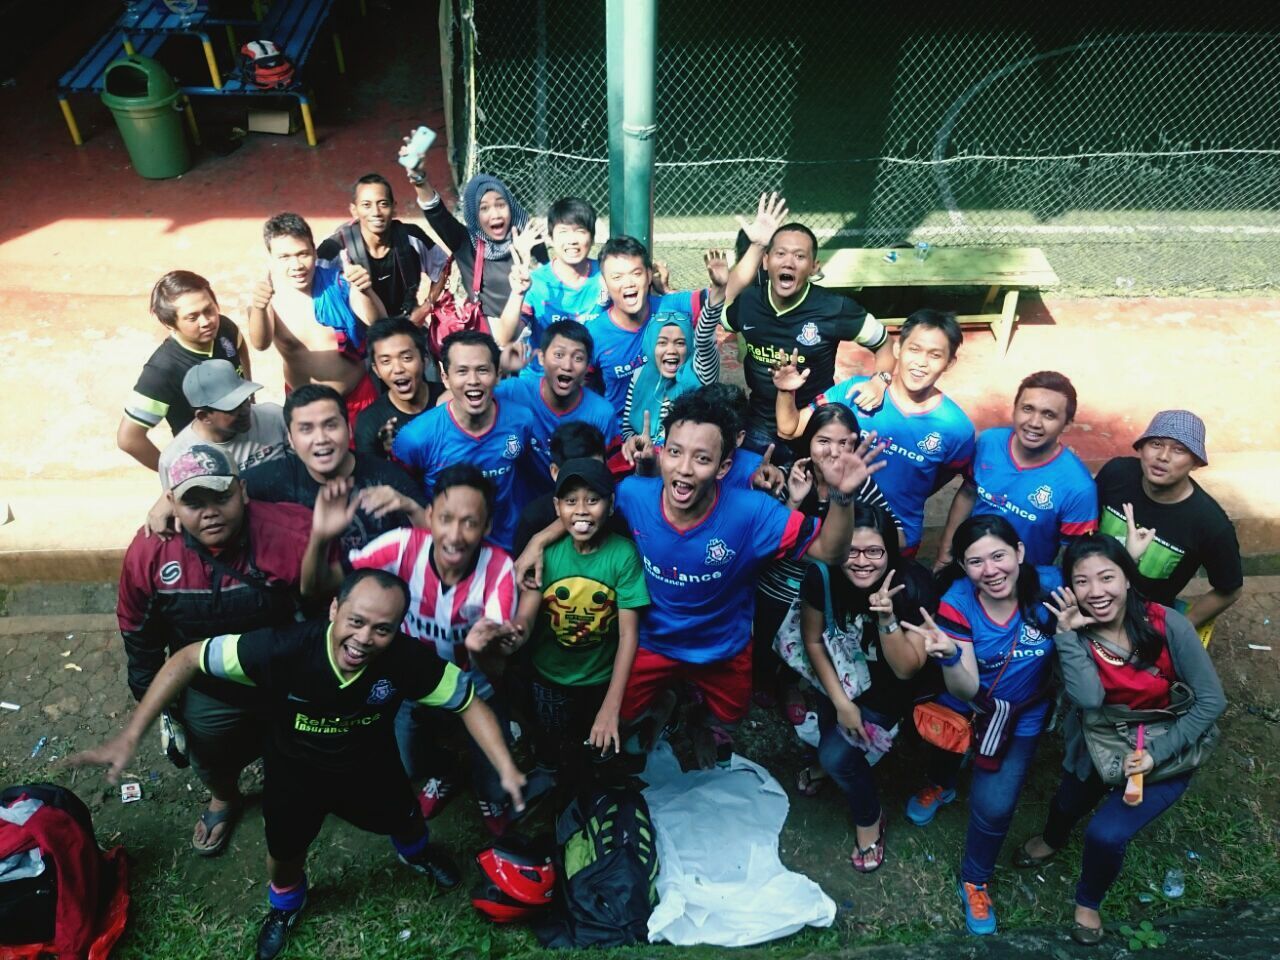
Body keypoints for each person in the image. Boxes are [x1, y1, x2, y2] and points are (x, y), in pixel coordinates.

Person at [72, 569, 525, 960]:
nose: (365, 638)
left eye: (382, 629)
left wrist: (503, 767)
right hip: (295, 775)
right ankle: (286, 907)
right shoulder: (282, 648)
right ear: (334, 609)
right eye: (356, 621)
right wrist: (132, 734)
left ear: (398, 630)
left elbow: (467, 701)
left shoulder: (408, 660)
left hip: (370, 768)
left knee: (406, 823)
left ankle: (417, 855)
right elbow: (189, 657)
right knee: (283, 855)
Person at [518, 386, 884, 768]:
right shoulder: (633, 495)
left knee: (730, 718)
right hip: (651, 642)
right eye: (675, 452)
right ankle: (667, 703)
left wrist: (842, 499)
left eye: (702, 458)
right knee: (622, 719)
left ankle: (696, 719)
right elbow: (583, 514)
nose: (685, 468)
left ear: (724, 467)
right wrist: (539, 541)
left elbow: (830, 551)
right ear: (663, 453)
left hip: (722, 647)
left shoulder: (752, 513)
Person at [1014, 535, 1225, 944]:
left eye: (1107, 577)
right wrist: (1067, 636)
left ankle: (1088, 902)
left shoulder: (1168, 624)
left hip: (1162, 741)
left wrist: (1155, 755)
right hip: (1098, 738)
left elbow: (1212, 701)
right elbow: (1089, 699)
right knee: (1070, 799)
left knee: (1106, 834)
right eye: (1082, 582)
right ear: (1069, 589)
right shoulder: (1075, 632)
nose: (1096, 592)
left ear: (1128, 578)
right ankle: (1051, 839)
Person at [302, 465, 524, 834]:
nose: (455, 535)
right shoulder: (402, 546)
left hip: (474, 689)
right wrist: (320, 538)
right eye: (446, 519)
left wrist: (483, 650)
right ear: (430, 517)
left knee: (493, 769)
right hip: (410, 685)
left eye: (470, 523)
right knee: (410, 761)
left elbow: (498, 669)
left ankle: (491, 796)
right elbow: (317, 588)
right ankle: (444, 771)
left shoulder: (500, 571)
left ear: (486, 528)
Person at [117, 444, 313, 857]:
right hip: (209, 684)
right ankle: (225, 797)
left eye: (220, 496)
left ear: (242, 491)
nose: (210, 511)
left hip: (283, 670)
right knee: (209, 752)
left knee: (303, 745)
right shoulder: (151, 551)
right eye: (193, 501)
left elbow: (326, 603)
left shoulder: (291, 531)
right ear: (171, 502)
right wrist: (148, 687)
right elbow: (137, 624)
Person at [901, 515, 1062, 936]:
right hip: (965, 701)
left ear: (1020, 553)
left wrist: (1127, 567)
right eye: (976, 562)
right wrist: (951, 657)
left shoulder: (1051, 587)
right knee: (945, 750)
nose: (990, 571)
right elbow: (967, 683)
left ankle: (975, 879)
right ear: (964, 568)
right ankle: (943, 783)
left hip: (1022, 714)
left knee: (995, 806)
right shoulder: (957, 601)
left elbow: (1110, 597)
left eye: (998, 556)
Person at [792, 503, 936, 872]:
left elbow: (907, 669)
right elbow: (812, 641)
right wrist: (841, 702)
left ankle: (870, 818)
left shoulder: (915, 586)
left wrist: (887, 618)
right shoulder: (822, 576)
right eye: (851, 551)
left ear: (890, 550)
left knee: (836, 757)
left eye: (874, 551)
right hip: (835, 678)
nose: (862, 562)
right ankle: (833, 755)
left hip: (886, 695)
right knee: (830, 735)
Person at [776, 309, 975, 554]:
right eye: (914, 349)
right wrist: (786, 391)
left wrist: (912, 486)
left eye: (935, 355)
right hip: (839, 529)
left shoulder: (957, 428)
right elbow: (791, 428)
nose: (922, 362)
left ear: (949, 362)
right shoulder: (854, 392)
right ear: (898, 349)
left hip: (898, 539)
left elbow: (946, 475)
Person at [754, 402, 902, 715]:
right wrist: (793, 500)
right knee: (764, 634)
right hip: (779, 581)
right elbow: (765, 540)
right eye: (823, 441)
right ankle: (764, 678)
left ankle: (789, 682)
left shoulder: (860, 485)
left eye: (844, 443)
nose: (833, 452)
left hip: (825, 588)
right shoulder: (788, 476)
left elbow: (895, 534)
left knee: (813, 636)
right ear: (808, 442)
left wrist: (857, 539)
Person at [512, 458, 649, 785]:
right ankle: (551, 770)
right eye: (571, 501)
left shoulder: (624, 556)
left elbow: (629, 635)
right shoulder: (544, 554)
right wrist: (508, 634)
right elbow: (525, 618)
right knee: (552, 737)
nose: (582, 510)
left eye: (593, 499)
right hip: (550, 676)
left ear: (611, 504)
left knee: (597, 739)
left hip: (600, 678)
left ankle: (594, 780)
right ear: (557, 506)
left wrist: (611, 706)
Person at [585, 194, 782, 415]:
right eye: (617, 277)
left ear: (650, 275)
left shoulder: (672, 307)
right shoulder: (593, 333)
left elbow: (725, 292)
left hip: (675, 433)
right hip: (623, 439)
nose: (628, 283)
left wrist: (757, 246)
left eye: (636, 273)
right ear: (605, 282)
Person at [724, 220, 893, 459]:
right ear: (766, 261)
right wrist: (756, 245)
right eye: (780, 253)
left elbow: (885, 344)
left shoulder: (835, 309)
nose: (788, 262)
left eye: (799, 256)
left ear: (814, 267)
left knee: (817, 493)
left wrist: (881, 380)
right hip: (759, 424)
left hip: (814, 426)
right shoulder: (749, 302)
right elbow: (724, 304)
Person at [1094, 410, 1242, 642]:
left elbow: (1229, 589)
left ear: (1195, 462)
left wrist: (1182, 628)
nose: (1163, 456)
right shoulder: (1116, 474)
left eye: (1179, 449)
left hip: (1140, 616)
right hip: (1089, 592)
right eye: (1156, 443)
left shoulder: (1210, 524)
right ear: (1141, 449)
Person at [391, 331, 537, 551]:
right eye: (462, 371)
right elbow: (405, 494)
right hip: (448, 550)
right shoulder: (415, 438)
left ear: (498, 375)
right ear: (445, 377)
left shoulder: (522, 420)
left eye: (482, 370)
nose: (473, 381)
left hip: (509, 548)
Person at [936, 370, 1097, 568]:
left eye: (1049, 415)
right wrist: (946, 555)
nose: (1034, 423)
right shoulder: (988, 443)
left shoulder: (1078, 487)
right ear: (1014, 410)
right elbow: (968, 494)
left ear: (1067, 424)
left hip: (1025, 582)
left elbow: (1074, 555)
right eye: (1028, 409)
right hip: (970, 565)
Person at [244, 384, 427, 556]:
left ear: (349, 429)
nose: (321, 438)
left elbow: (438, 540)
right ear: (291, 439)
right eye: (306, 429)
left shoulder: (388, 477)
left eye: (331, 425)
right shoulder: (272, 479)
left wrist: (410, 508)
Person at [246, 212, 384, 429]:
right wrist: (259, 307)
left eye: (303, 254)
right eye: (285, 257)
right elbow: (260, 344)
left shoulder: (339, 283)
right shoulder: (267, 297)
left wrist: (365, 290)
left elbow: (378, 323)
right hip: (306, 409)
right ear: (271, 258)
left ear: (314, 250)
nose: (297, 265)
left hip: (358, 399)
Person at [119, 271, 250, 471]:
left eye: (209, 310)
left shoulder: (224, 328)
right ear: (169, 323)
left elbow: (240, 347)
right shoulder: (162, 371)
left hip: (248, 446)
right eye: (192, 317)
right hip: (211, 466)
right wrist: (178, 472)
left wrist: (249, 393)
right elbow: (128, 439)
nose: (207, 321)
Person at [401, 155, 549, 323]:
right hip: (487, 339)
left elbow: (549, 289)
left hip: (530, 335)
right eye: (484, 208)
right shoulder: (465, 244)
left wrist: (527, 260)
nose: (495, 214)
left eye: (501, 205)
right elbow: (436, 212)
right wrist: (419, 179)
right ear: (473, 215)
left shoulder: (529, 239)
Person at [494, 320, 619, 499]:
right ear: (541, 358)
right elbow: (454, 403)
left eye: (578, 358)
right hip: (522, 508)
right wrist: (500, 367)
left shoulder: (602, 414)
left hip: (577, 510)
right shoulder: (516, 392)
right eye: (559, 355)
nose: (567, 366)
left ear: (587, 367)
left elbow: (612, 474)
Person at [618, 250, 727, 454]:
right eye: (662, 343)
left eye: (680, 343)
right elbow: (627, 426)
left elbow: (703, 338)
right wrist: (634, 442)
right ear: (651, 347)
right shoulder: (640, 374)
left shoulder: (701, 372)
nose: (671, 350)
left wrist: (718, 291)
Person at [492, 195, 607, 376]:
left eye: (580, 231)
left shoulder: (606, 275)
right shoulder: (536, 282)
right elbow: (505, 338)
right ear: (551, 239)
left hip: (589, 378)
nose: (572, 240)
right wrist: (517, 293)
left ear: (592, 238)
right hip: (541, 378)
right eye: (563, 232)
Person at [316, 173, 449, 323]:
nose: (376, 212)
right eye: (366, 205)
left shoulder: (411, 237)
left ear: (394, 208)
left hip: (406, 322)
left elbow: (443, 266)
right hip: (359, 330)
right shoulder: (335, 248)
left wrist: (425, 308)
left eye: (383, 204)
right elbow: (311, 284)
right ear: (354, 210)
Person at [158, 360, 288, 484]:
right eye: (233, 408)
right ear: (204, 416)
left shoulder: (274, 418)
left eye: (244, 400)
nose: (245, 411)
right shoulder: (177, 459)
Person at [512, 422, 630, 556]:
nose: (582, 510)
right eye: (576, 472)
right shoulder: (534, 519)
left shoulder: (617, 517)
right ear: (555, 472)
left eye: (595, 468)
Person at [354, 317, 441, 460]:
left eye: (406, 358)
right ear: (376, 370)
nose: (398, 369)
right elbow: (371, 476)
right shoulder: (369, 421)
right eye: (386, 361)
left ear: (424, 360)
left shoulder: (449, 401)